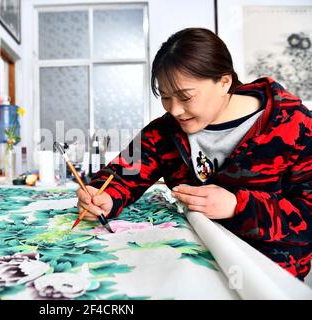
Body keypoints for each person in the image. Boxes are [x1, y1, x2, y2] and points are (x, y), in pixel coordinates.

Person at [76, 28, 312, 281]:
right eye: (165, 97)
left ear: (224, 82)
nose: (175, 110)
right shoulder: (165, 130)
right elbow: (122, 173)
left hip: (266, 275)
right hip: (191, 265)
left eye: (185, 96)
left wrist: (237, 206)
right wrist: (104, 196)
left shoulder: (294, 125)